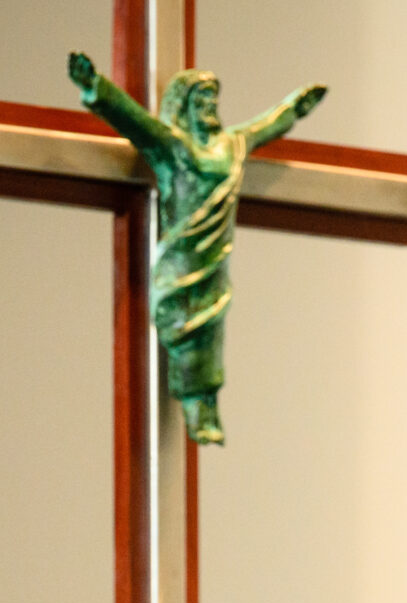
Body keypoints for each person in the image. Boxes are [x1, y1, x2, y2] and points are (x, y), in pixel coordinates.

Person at [65, 53, 327, 446]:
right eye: (200, 101)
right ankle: (193, 402)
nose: (208, 108)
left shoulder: (233, 146)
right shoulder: (174, 148)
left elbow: (267, 125)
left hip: (214, 262)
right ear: (184, 106)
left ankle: (203, 405)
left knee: (210, 331)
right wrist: (95, 87)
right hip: (179, 262)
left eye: (212, 102)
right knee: (185, 330)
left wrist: (296, 108)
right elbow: (136, 122)